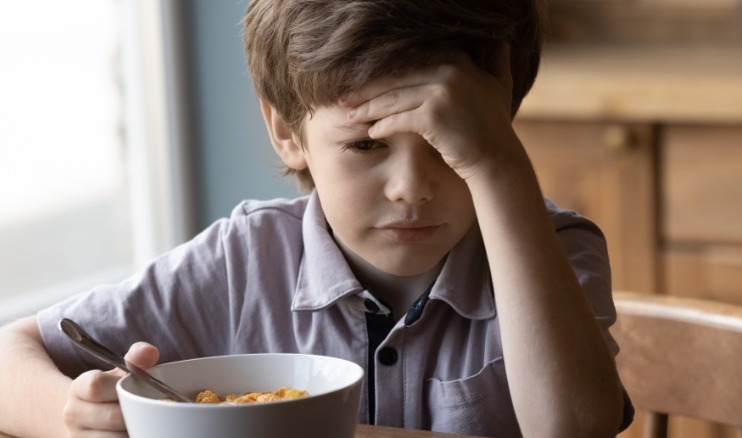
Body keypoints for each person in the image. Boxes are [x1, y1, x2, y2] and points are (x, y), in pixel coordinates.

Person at [0, 0, 633, 436]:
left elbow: (574, 429)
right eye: (365, 145)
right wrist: (69, 412)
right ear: (286, 130)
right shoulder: (242, 263)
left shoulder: (555, 250)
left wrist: (498, 168)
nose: (412, 188)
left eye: (452, 145)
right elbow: (8, 354)